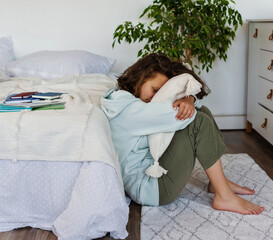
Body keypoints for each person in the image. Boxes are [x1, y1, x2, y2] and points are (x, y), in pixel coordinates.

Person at [101, 53, 264, 215]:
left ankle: (218, 183)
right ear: (141, 77)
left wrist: (190, 100)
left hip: (148, 176)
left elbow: (195, 108)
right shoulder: (131, 110)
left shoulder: (124, 98)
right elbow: (186, 116)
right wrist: (189, 100)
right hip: (151, 190)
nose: (156, 98)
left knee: (203, 112)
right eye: (155, 90)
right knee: (198, 122)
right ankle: (224, 196)